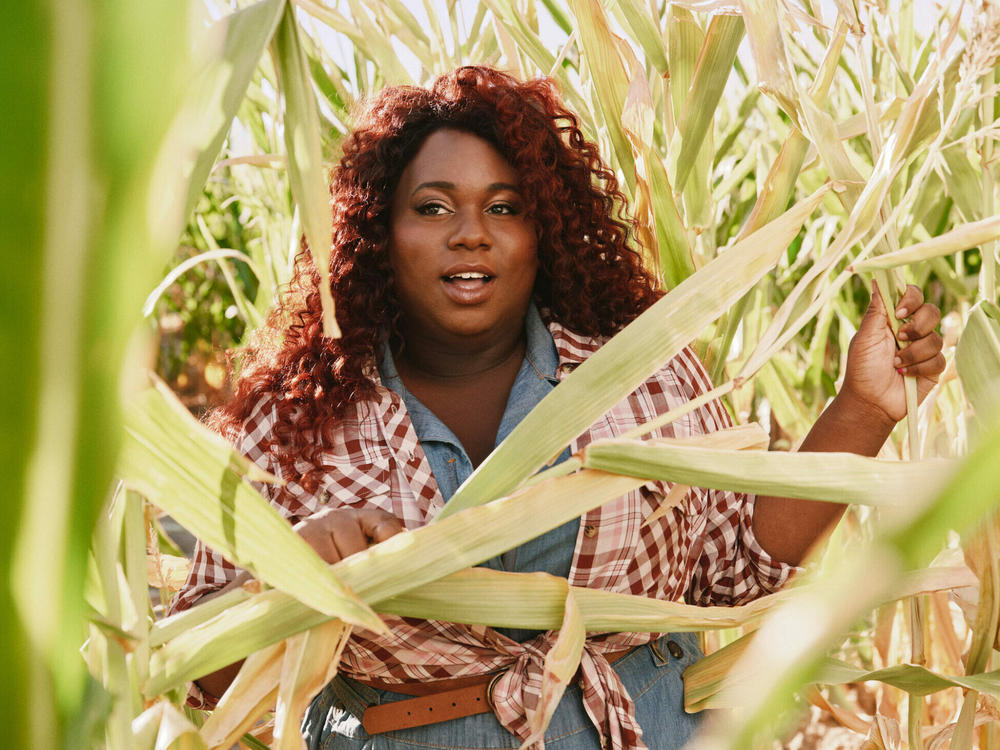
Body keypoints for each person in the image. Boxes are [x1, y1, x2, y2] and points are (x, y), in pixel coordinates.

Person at [169, 66, 945, 750]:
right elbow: (202, 680)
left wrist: (862, 410)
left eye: (504, 208)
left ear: (544, 231)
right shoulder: (294, 424)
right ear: (377, 232)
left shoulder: (637, 380)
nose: (471, 235)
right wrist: (288, 577)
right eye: (433, 209)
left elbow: (733, 573)